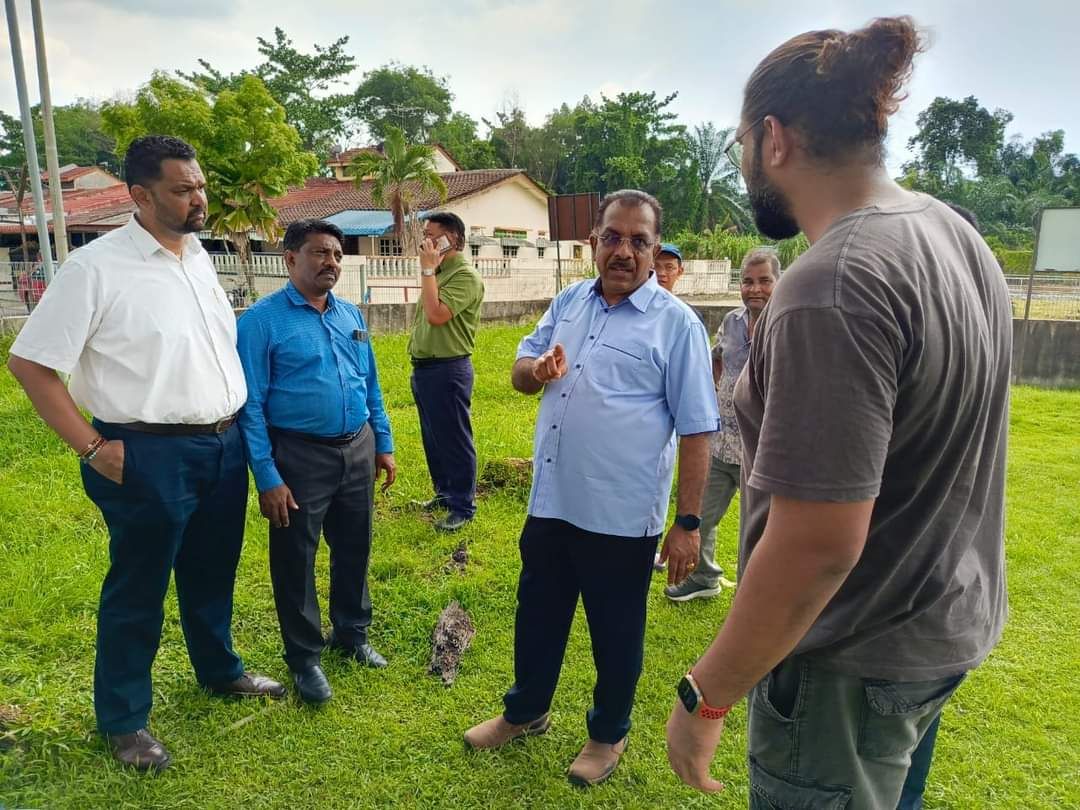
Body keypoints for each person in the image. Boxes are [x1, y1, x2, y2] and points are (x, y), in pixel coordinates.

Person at [664, 17, 1012, 810]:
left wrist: (705, 696)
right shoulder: (951, 231)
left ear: (774, 139)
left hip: (849, 663)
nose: (746, 158)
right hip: (938, 631)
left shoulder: (830, 284)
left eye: (743, 141)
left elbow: (818, 544)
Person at [6, 135, 284, 773]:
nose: (199, 199)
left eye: (201, 185)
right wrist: (94, 447)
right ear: (140, 195)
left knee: (212, 570)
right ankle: (125, 720)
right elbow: (30, 364)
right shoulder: (94, 269)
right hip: (145, 452)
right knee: (139, 586)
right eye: (183, 190)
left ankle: (220, 670)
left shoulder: (198, 258)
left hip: (222, 442)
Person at [463, 190, 719, 787]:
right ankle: (525, 712)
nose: (623, 251)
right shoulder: (570, 301)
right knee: (539, 615)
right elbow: (520, 371)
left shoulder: (676, 325)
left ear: (655, 250)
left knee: (616, 629)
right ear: (593, 243)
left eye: (638, 240)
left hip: (621, 514)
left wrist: (687, 525)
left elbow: (698, 430)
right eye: (612, 237)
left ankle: (608, 733)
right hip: (552, 503)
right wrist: (538, 371)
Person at [235, 219, 396, 705]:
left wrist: (382, 443)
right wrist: (267, 475)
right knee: (295, 558)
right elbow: (251, 405)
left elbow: (371, 385)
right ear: (290, 259)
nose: (331, 263)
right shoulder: (261, 323)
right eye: (320, 253)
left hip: (357, 446)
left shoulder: (351, 316)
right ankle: (305, 658)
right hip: (299, 456)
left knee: (355, 545)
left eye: (337, 255)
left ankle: (352, 634)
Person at [664, 248, 779, 602]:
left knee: (759, 531)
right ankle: (704, 577)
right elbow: (717, 356)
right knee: (700, 515)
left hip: (762, 451)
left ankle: (755, 599)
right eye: (747, 281)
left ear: (780, 281)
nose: (754, 288)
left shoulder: (788, 324)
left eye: (764, 281)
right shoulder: (731, 322)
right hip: (720, 441)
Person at [408, 211, 485, 532]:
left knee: (454, 439)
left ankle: (463, 506)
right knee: (433, 438)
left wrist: (427, 268)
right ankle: (444, 492)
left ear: (450, 240)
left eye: (430, 235)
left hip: (448, 368)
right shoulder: (437, 274)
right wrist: (430, 270)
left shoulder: (465, 276)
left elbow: (438, 315)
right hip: (425, 368)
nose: (424, 241)